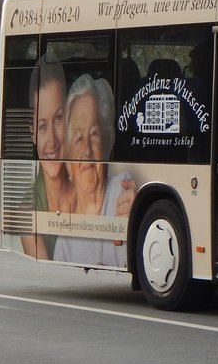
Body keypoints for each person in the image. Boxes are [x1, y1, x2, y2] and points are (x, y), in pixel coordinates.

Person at [52, 75, 136, 268]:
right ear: (67, 159)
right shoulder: (64, 243)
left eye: (94, 134)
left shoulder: (121, 190)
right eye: (79, 138)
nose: (87, 151)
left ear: (107, 145)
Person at [22, 53, 74, 259]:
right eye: (42, 126)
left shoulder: (91, 185)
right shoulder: (27, 210)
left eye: (58, 119)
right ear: (32, 132)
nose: (52, 141)